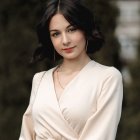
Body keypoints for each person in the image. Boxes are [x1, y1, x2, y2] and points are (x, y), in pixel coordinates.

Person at [19, 0, 123, 140]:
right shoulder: (40, 79)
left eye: (71, 29)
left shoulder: (107, 77)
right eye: (56, 34)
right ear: (49, 39)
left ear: (85, 28)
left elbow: (100, 135)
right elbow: (26, 135)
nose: (65, 40)